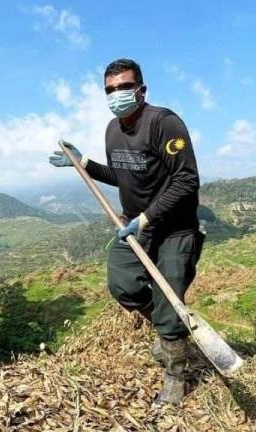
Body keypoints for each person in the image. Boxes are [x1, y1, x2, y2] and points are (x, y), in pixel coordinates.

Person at [49, 58, 205, 405]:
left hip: (174, 229)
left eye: (123, 87)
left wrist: (147, 218)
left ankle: (175, 375)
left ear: (141, 89)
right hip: (134, 225)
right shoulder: (112, 130)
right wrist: (83, 163)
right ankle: (168, 329)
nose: (116, 94)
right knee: (123, 285)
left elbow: (186, 179)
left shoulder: (164, 123)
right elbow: (124, 175)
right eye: (110, 90)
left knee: (169, 299)